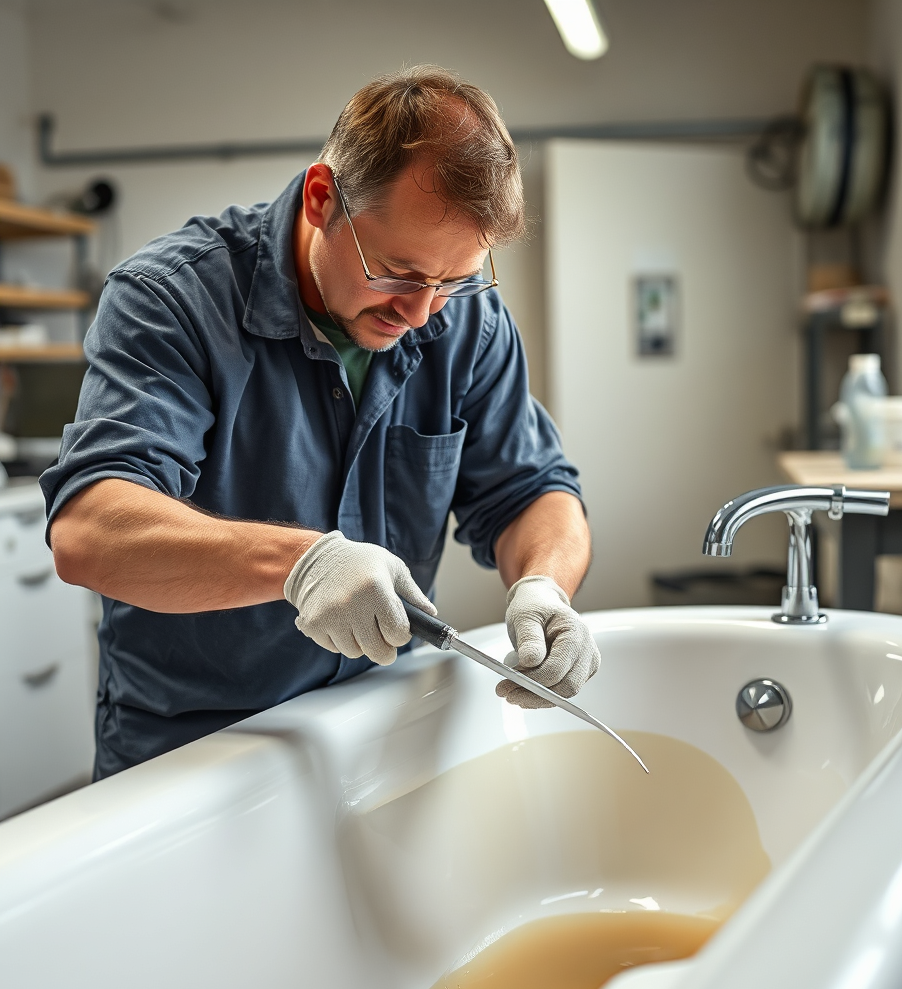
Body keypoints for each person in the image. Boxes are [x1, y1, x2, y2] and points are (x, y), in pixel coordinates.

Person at [42, 66, 599, 779]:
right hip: (197, 748)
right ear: (321, 199)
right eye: (397, 271)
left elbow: (531, 491)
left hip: (380, 727)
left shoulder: (471, 322)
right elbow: (91, 533)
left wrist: (545, 586)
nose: (419, 313)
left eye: (453, 281)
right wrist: (301, 565)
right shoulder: (172, 299)